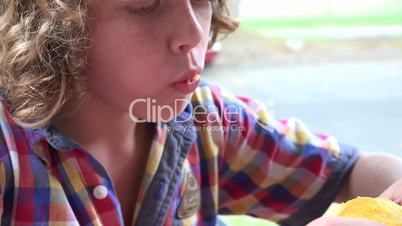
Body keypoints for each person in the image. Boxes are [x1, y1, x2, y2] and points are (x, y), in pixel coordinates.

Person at [0, 0, 401, 225]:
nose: (194, 34)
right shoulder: (10, 156)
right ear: (53, 20)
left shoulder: (206, 119)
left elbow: (346, 171)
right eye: (146, 5)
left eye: (201, 0)